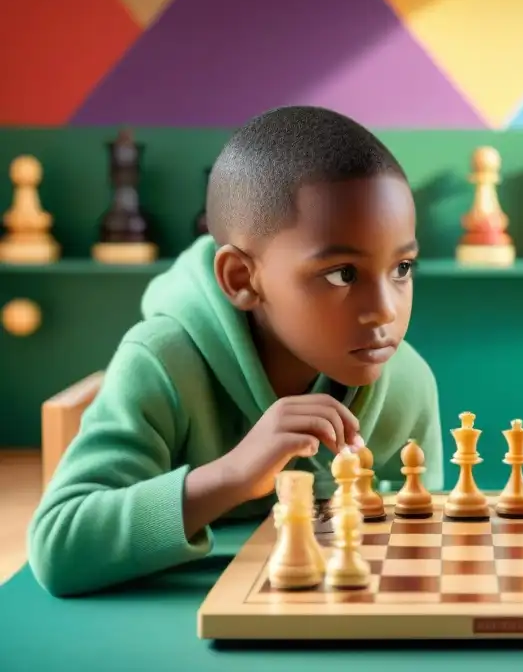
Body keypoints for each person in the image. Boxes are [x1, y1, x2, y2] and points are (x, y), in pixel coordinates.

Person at [27, 106, 444, 597]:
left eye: (402, 269)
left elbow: (420, 545)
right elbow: (58, 547)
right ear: (242, 279)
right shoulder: (162, 364)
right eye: (342, 274)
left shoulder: (408, 382)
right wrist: (231, 476)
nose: (384, 311)